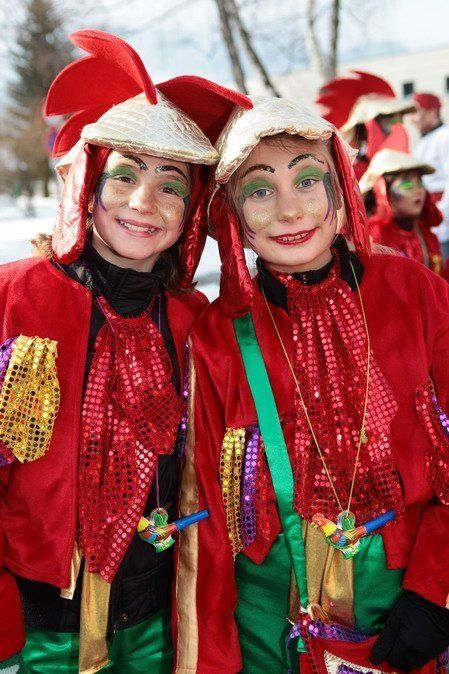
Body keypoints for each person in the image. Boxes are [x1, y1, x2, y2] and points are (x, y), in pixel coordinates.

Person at [0, 29, 249, 674]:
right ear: (87, 185)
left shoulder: (195, 321)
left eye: (171, 185)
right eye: (125, 176)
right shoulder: (13, 297)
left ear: (191, 210)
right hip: (33, 630)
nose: (145, 203)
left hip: (155, 627)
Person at [174, 96, 449, 674]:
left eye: (307, 180)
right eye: (259, 190)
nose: (290, 210)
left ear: (340, 188)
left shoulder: (416, 293)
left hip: (409, 615)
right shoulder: (218, 336)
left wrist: (436, 591)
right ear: (232, 216)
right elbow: (205, 527)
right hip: (268, 636)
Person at [316, 70, 414, 179]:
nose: (396, 125)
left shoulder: (404, 167)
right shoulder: (350, 172)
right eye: (389, 117)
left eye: (398, 118)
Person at [359, 148, 444, 274]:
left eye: (420, 183)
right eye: (407, 184)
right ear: (383, 191)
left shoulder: (426, 233)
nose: (418, 190)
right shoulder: (374, 239)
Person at [410, 93, 449, 259]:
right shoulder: (423, 141)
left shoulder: (445, 136)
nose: (412, 119)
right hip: (429, 217)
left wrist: (442, 215)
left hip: (442, 218)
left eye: (416, 112)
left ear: (432, 112)